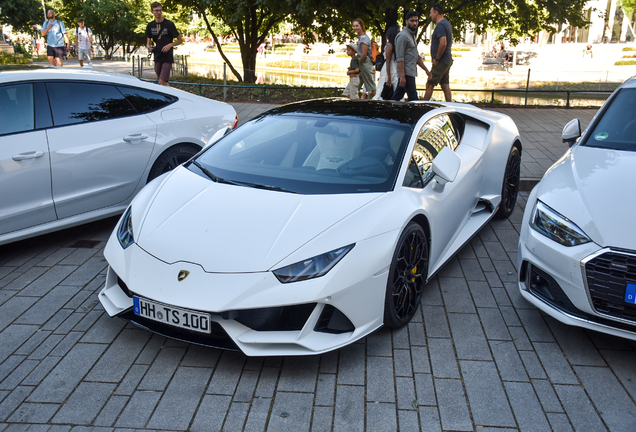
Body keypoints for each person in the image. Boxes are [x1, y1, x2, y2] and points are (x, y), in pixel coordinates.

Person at [391, 11, 431, 101]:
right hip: (406, 73)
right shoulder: (403, 36)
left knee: (396, 98)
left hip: (410, 72)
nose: (414, 23)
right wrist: (402, 76)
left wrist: (426, 70)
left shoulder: (411, 35)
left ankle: (387, 112)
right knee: (413, 99)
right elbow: (400, 58)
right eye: (412, 21)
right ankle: (417, 114)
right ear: (406, 21)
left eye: (416, 21)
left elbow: (416, 57)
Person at [145, 1, 183, 86]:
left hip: (167, 57)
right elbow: (148, 42)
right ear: (152, 12)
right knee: (161, 83)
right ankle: (168, 97)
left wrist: (170, 45)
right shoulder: (150, 25)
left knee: (162, 81)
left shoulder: (169, 24)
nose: (159, 12)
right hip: (157, 56)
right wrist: (150, 48)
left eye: (160, 10)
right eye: (156, 10)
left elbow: (180, 40)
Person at [423, 4, 453, 102]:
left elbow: (443, 43)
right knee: (445, 85)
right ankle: (450, 106)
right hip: (447, 59)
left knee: (430, 83)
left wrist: (437, 58)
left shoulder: (440, 25)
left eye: (431, 13)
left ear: (436, 12)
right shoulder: (447, 24)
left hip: (441, 60)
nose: (430, 15)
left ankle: (423, 106)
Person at [373, 25, 401, 100]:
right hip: (389, 69)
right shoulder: (390, 45)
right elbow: (388, 61)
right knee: (385, 90)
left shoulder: (395, 45)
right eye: (398, 31)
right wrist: (389, 77)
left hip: (394, 68)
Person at [352, 18, 376, 99]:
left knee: (370, 85)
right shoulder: (361, 38)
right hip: (363, 62)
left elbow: (364, 54)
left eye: (357, 26)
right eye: (354, 26)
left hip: (364, 63)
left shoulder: (364, 38)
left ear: (361, 26)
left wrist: (358, 64)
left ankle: (377, 101)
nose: (355, 28)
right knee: (357, 84)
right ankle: (353, 99)